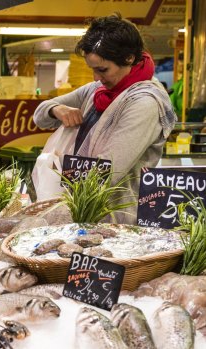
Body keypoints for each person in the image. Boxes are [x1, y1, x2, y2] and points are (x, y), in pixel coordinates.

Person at [32, 14, 176, 224]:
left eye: (102, 69)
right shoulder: (96, 90)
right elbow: (40, 115)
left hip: (116, 222)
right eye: (92, 69)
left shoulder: (145, 103)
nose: (96, 78)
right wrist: (57, 109)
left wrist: (54, 217)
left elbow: (106, 172)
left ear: (128, 58)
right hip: (82, 211)